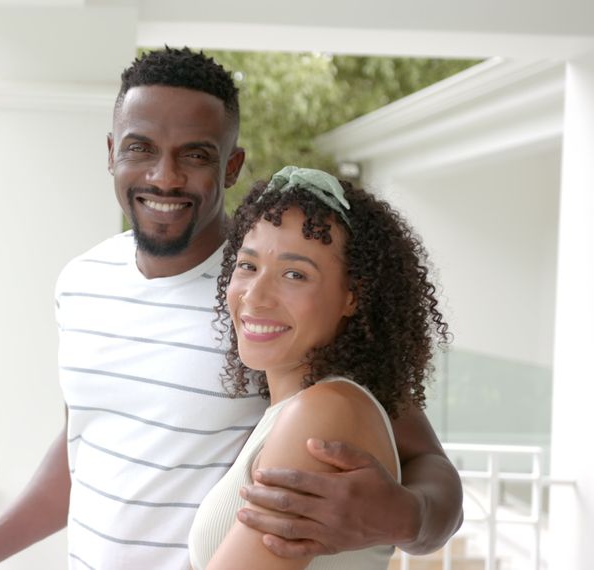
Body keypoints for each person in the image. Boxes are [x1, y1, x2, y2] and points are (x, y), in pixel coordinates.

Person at [0, 47, 462, 570]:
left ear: (232, 166)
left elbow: (426, 466)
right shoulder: (82, 281)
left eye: (194, 155)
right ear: (112, 153)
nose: (163, 177)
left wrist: (406, 519)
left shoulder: (270, 314)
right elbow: (86, 445)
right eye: (140, 148)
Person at [187, 167, 450, 570]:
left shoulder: (323, 413)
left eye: (295, 274)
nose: (256, 296)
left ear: (352, 297)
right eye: (248, 266)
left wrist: (413, 517)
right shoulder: (310, 401)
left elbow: (432, 465)